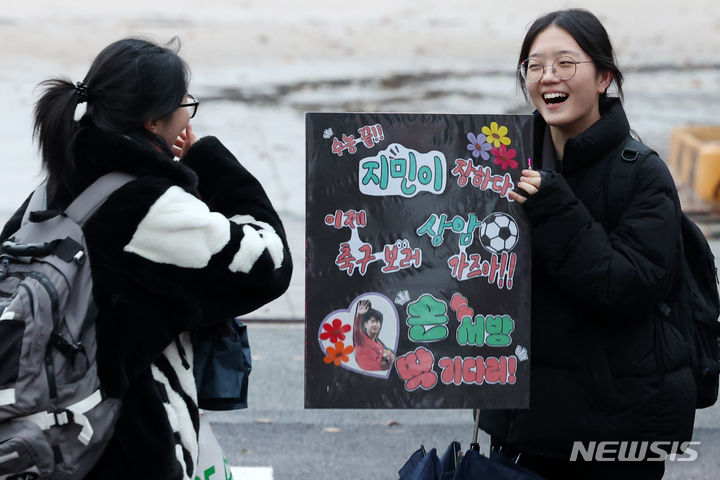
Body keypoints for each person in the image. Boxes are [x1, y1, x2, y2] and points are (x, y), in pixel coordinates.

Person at [0, 38, 292, 479]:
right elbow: (269, 262)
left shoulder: (54, 185)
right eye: (184, 104)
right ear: (154, 118)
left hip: (52, 425)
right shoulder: (151, 208)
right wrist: (209, 161)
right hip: (120, 444)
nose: (187, 114)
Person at [478, 9, 696, 480]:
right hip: (519, 429)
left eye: (564, 63)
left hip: (612, 434)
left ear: (604, 78)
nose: (547, 77)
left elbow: (624, 287)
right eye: (534, 66)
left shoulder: (643, 174)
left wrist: (556, 208)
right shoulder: (499, 166)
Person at [353, 299, 395, 371]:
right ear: (365, 324)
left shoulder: (380, 345)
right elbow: (356, 330)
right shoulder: (361, 339)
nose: (375, 324)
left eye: (377, 322)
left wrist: (389, 362)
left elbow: (384, 366)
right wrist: (359, 315)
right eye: (372, 322)